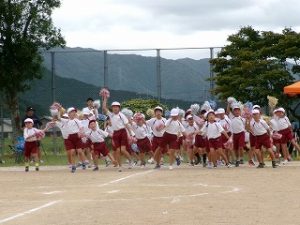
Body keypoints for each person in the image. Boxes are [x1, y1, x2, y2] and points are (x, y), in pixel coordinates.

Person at [102, 99, 134, 172]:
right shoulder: (111, 114)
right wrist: (105, 98)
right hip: (115, 133)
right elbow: (104, 108)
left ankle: (130, 160)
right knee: (117, 151)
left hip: (122, 132)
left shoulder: (121, 115)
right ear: (112, 108)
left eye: (117, 107)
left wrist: (131, 134)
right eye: (113, 107)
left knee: (123, 150)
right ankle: (120, 166)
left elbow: (127, 125)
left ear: (119, 108)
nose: (115, 108)